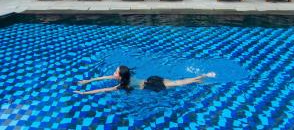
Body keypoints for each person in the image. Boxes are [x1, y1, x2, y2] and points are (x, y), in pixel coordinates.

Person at [73, 65, 216, 94]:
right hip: (150, 79)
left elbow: (104, 89)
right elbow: (102, 78)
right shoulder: (124, 77)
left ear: (120, 76)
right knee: (176, 82)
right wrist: (87, 82)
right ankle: (199, 78)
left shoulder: (122, 85)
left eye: (115, 72)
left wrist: (85, 93)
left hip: (149, 85)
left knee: (177, 83)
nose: (113, 73)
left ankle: (201, 77)